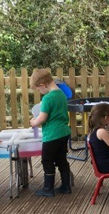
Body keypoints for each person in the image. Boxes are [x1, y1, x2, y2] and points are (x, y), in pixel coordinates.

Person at [29, 69, 72, 197]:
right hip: (64, 132)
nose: (39, 92)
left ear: (43, 85)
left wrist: (34, 122)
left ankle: (48, 188)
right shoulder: (62, 95)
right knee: (61, 159)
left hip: (51, 135)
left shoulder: (47, 98)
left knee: (47, 161)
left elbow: (42, 118)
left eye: (38, 89)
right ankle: (66, 186)